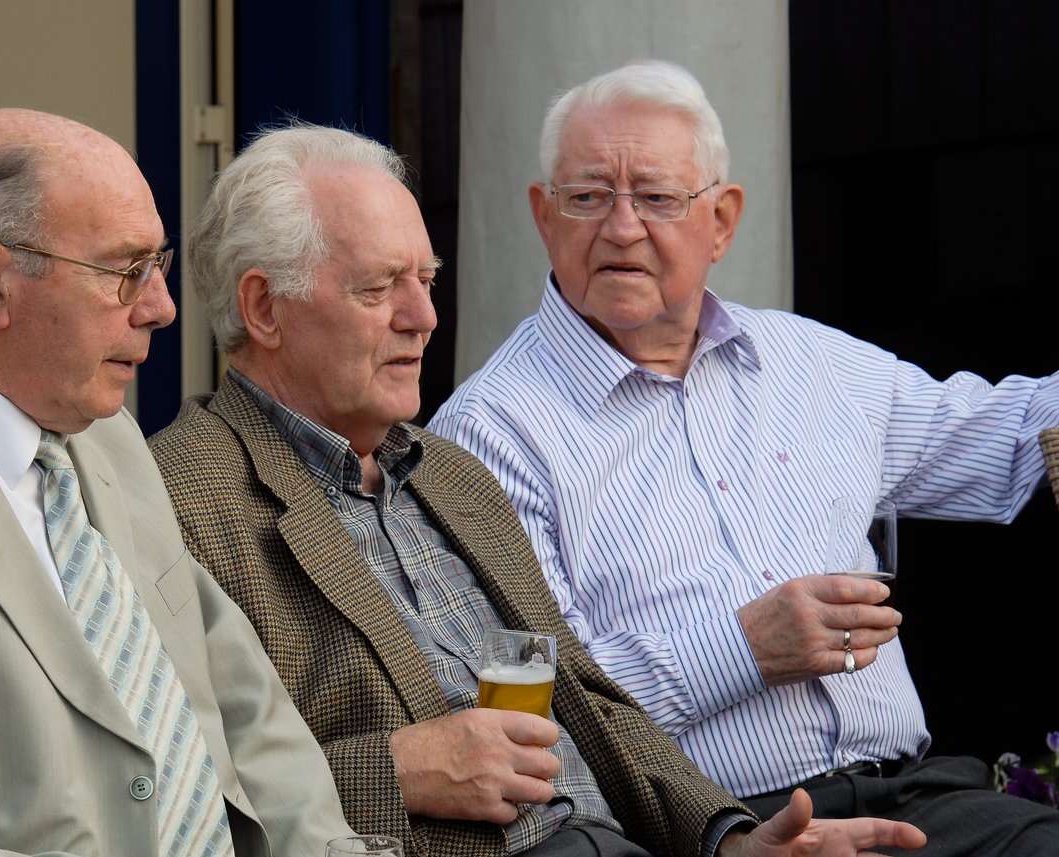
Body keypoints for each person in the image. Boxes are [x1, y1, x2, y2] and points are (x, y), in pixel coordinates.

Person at [147, 121, 926, 857]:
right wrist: (396, 769)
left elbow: (589, 696)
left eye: (425, 280)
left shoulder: (448, 471)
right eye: (379, 288)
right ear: (262, 307)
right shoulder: (177, 497)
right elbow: (159, 778)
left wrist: (727, 839)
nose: (423, 317)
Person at [426, 58, 1059, 854]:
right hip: (716, 826)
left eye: (657, 198)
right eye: (587, 197)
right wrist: (742, 648)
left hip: (923, 794)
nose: (621, 228)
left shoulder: (809, 362)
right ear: (543, 217)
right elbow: (536, 716)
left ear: (721, 220)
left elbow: (1009, 433)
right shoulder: (492, 432)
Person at [0, 108, 354, 857]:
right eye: (125, 271)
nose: (162, 306)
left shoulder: (104, 434)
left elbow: (237, 698)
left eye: (160, 264)